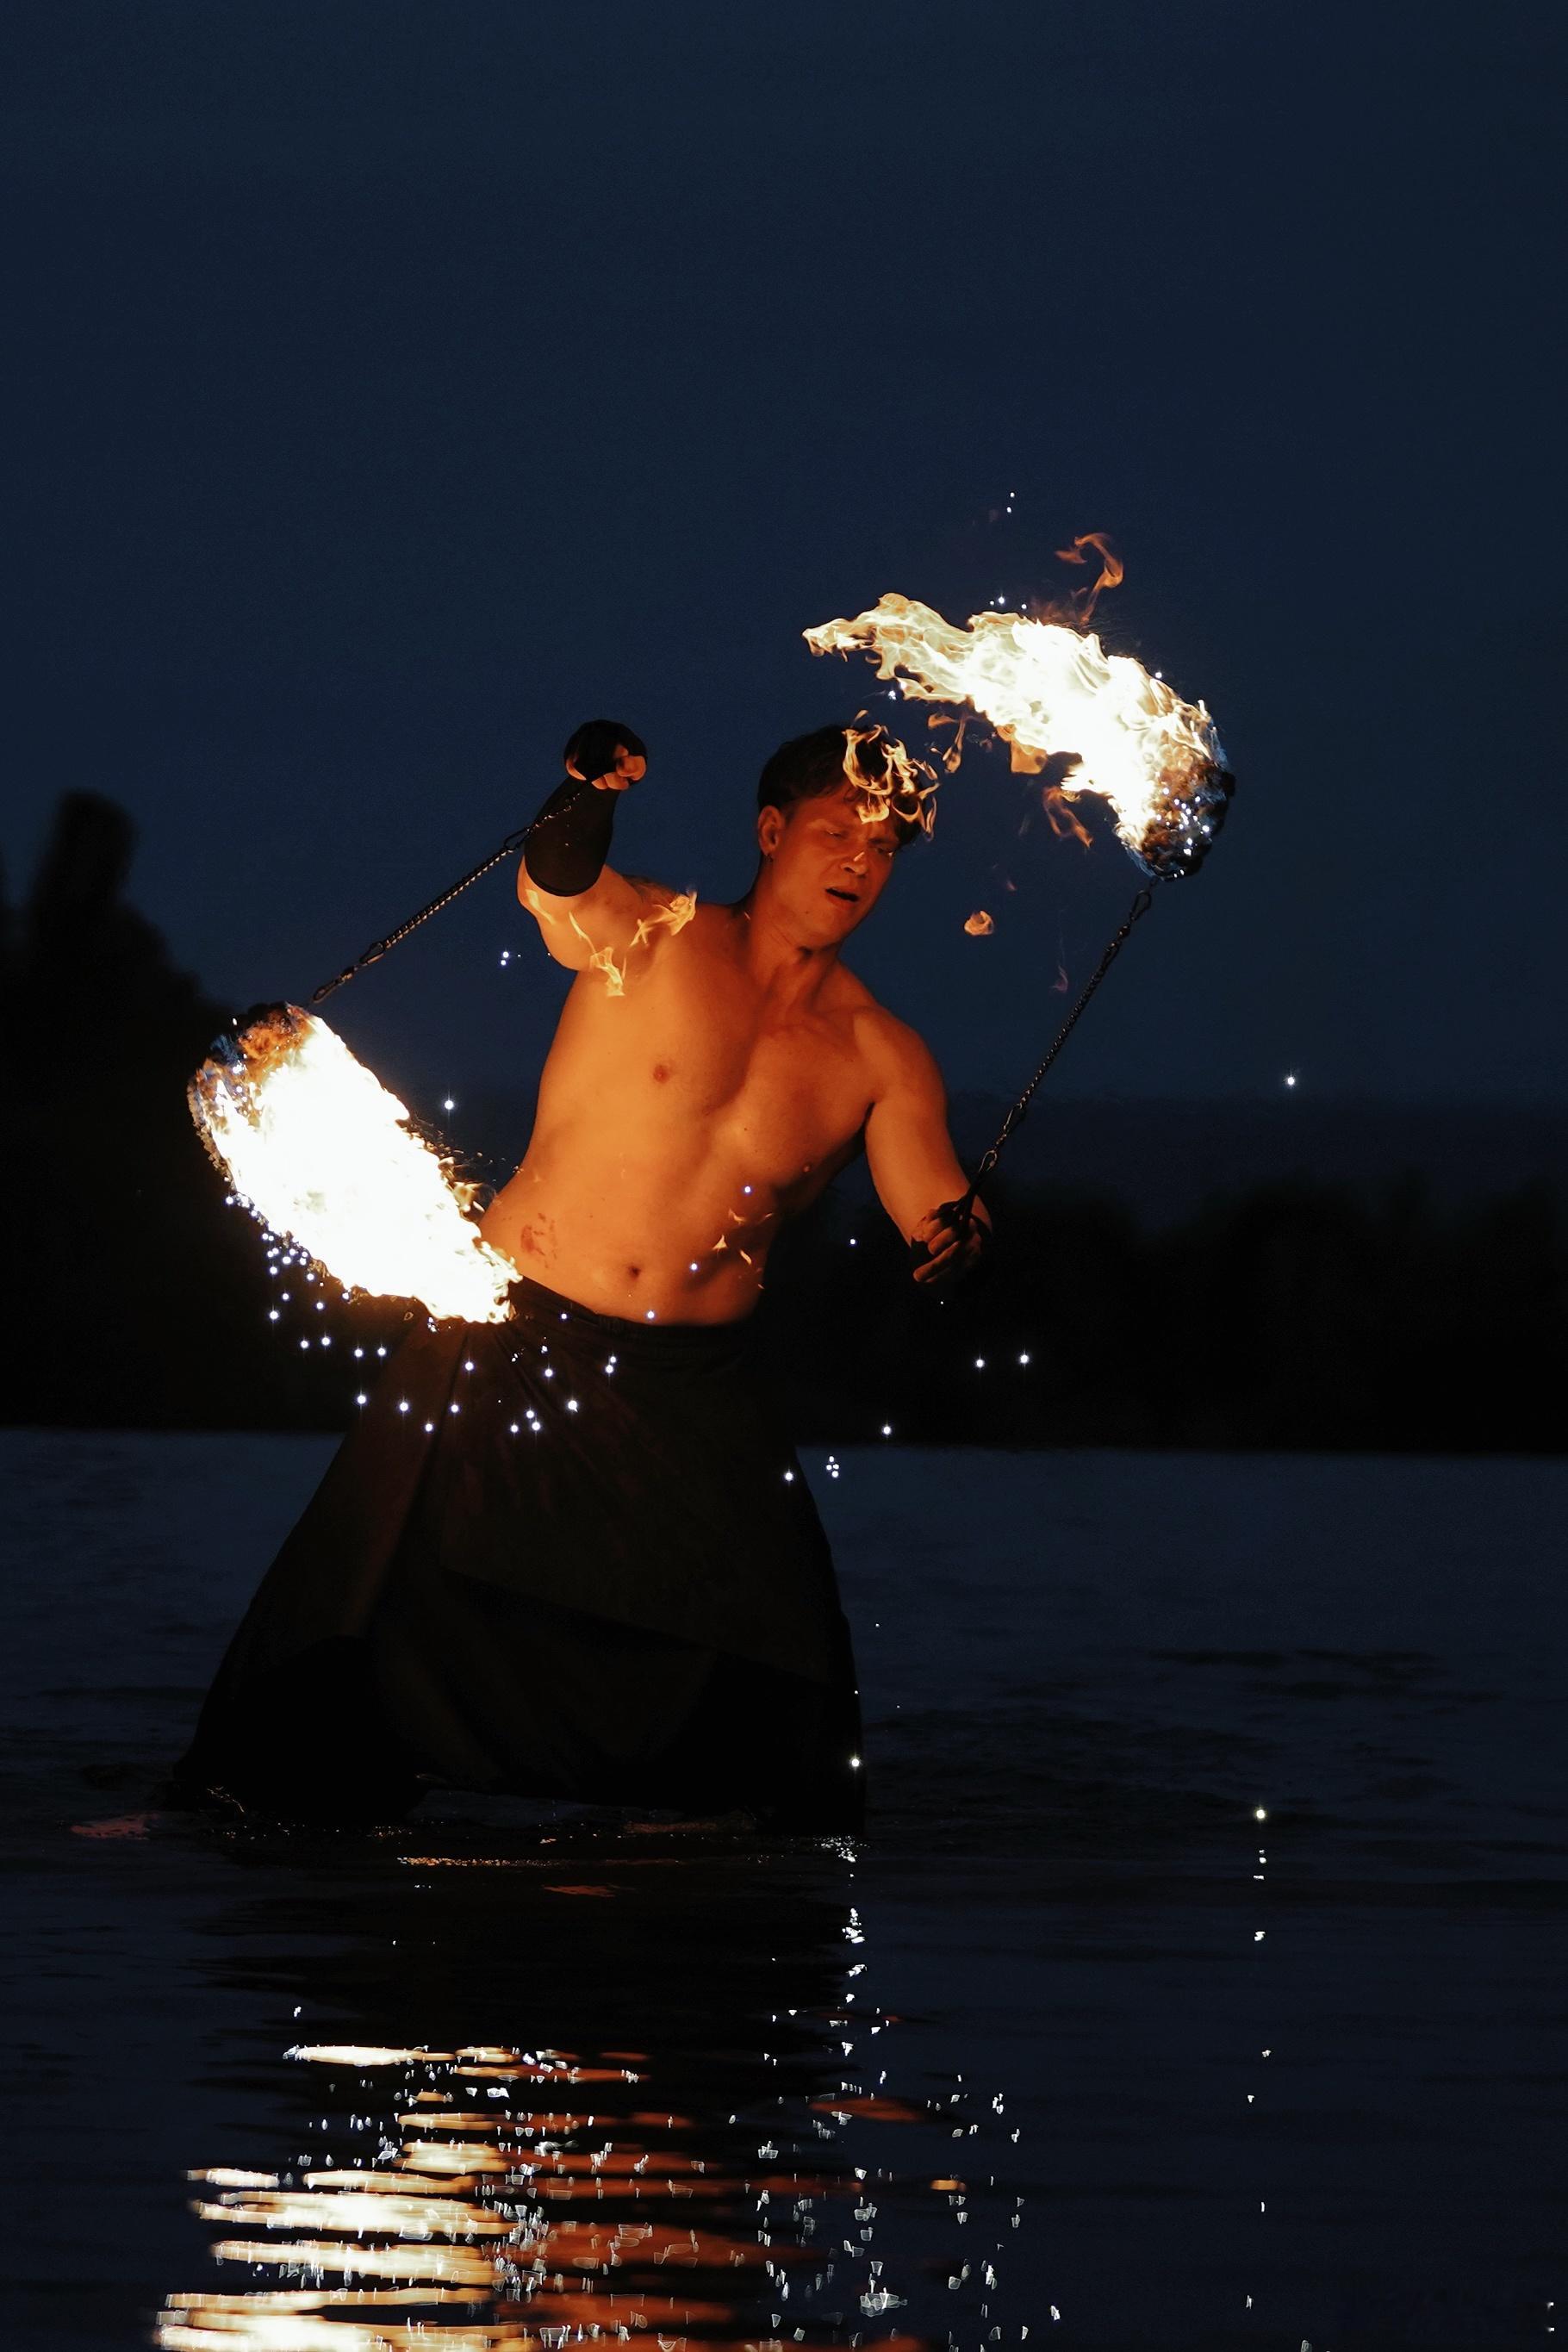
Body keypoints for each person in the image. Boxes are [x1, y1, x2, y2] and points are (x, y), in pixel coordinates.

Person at [174, 720, 989, 1832]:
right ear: (771, 832)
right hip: (513, 1334)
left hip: (691, 1380)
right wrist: (584, 790)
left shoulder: (882, 1054)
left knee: (778, 1636)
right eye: (835, 831)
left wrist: (959, 1238)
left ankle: (733, 1871)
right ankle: (232, 1813)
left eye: (883, 847)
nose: (856, 860)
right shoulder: (654, 934)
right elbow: (558, 878)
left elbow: (930, 1207)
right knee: (361, 1590)